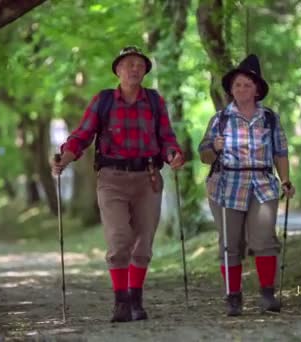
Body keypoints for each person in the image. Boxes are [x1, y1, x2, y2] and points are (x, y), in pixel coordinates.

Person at [51, 46, 184, 323]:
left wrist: (172, 154)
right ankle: (120, 302)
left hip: (148, 178)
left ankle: (136, 300)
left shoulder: (155, 101)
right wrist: (65, 158)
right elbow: (82, 135)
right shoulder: (103, 101)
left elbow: (166, 137)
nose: (134, 68)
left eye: (139, 64)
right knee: (119, 238)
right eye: (128, 64)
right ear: (118, 70)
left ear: (146, 71)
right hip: (112, 179)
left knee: (143, 243)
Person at [198, 54, 295, 316]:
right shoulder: (220, 119)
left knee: (264, 240)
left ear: (257, 90)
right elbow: (204, 154)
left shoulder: (269, 119)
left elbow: (280, 152)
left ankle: (267, 294)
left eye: (248, 85)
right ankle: (233, 297)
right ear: (231, 89)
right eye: (238, 85)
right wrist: (214, 148)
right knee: (230, 243)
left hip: (262, 183)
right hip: (226, 184)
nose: (242, 89)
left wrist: (285, 179)